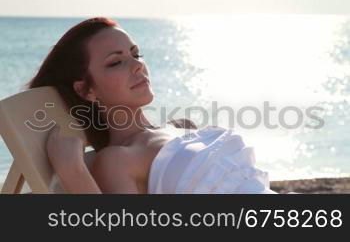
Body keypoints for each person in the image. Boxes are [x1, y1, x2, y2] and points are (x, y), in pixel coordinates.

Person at [27, 17, 276, 194]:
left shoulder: (183, 126)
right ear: (85, 89)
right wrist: (73, 171)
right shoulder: (117, 160)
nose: (138, 65)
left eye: (136, 54)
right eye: (116, 62)